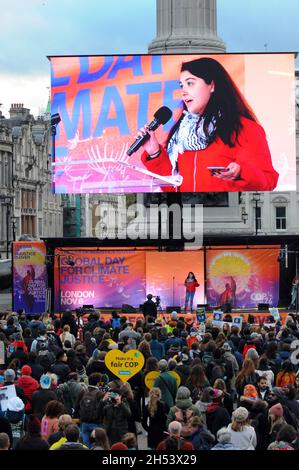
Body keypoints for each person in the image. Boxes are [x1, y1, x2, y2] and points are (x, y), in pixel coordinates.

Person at [139, 57, 278, 193]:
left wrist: (241, 172)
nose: (184, 91)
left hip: (223, 214)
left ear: (211, 85)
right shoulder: (180, 134)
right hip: (185, 213)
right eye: (182, 85)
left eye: (190, 83)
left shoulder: (245, 129)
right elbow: (172, 188)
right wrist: (155, 153)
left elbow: (268, 181)